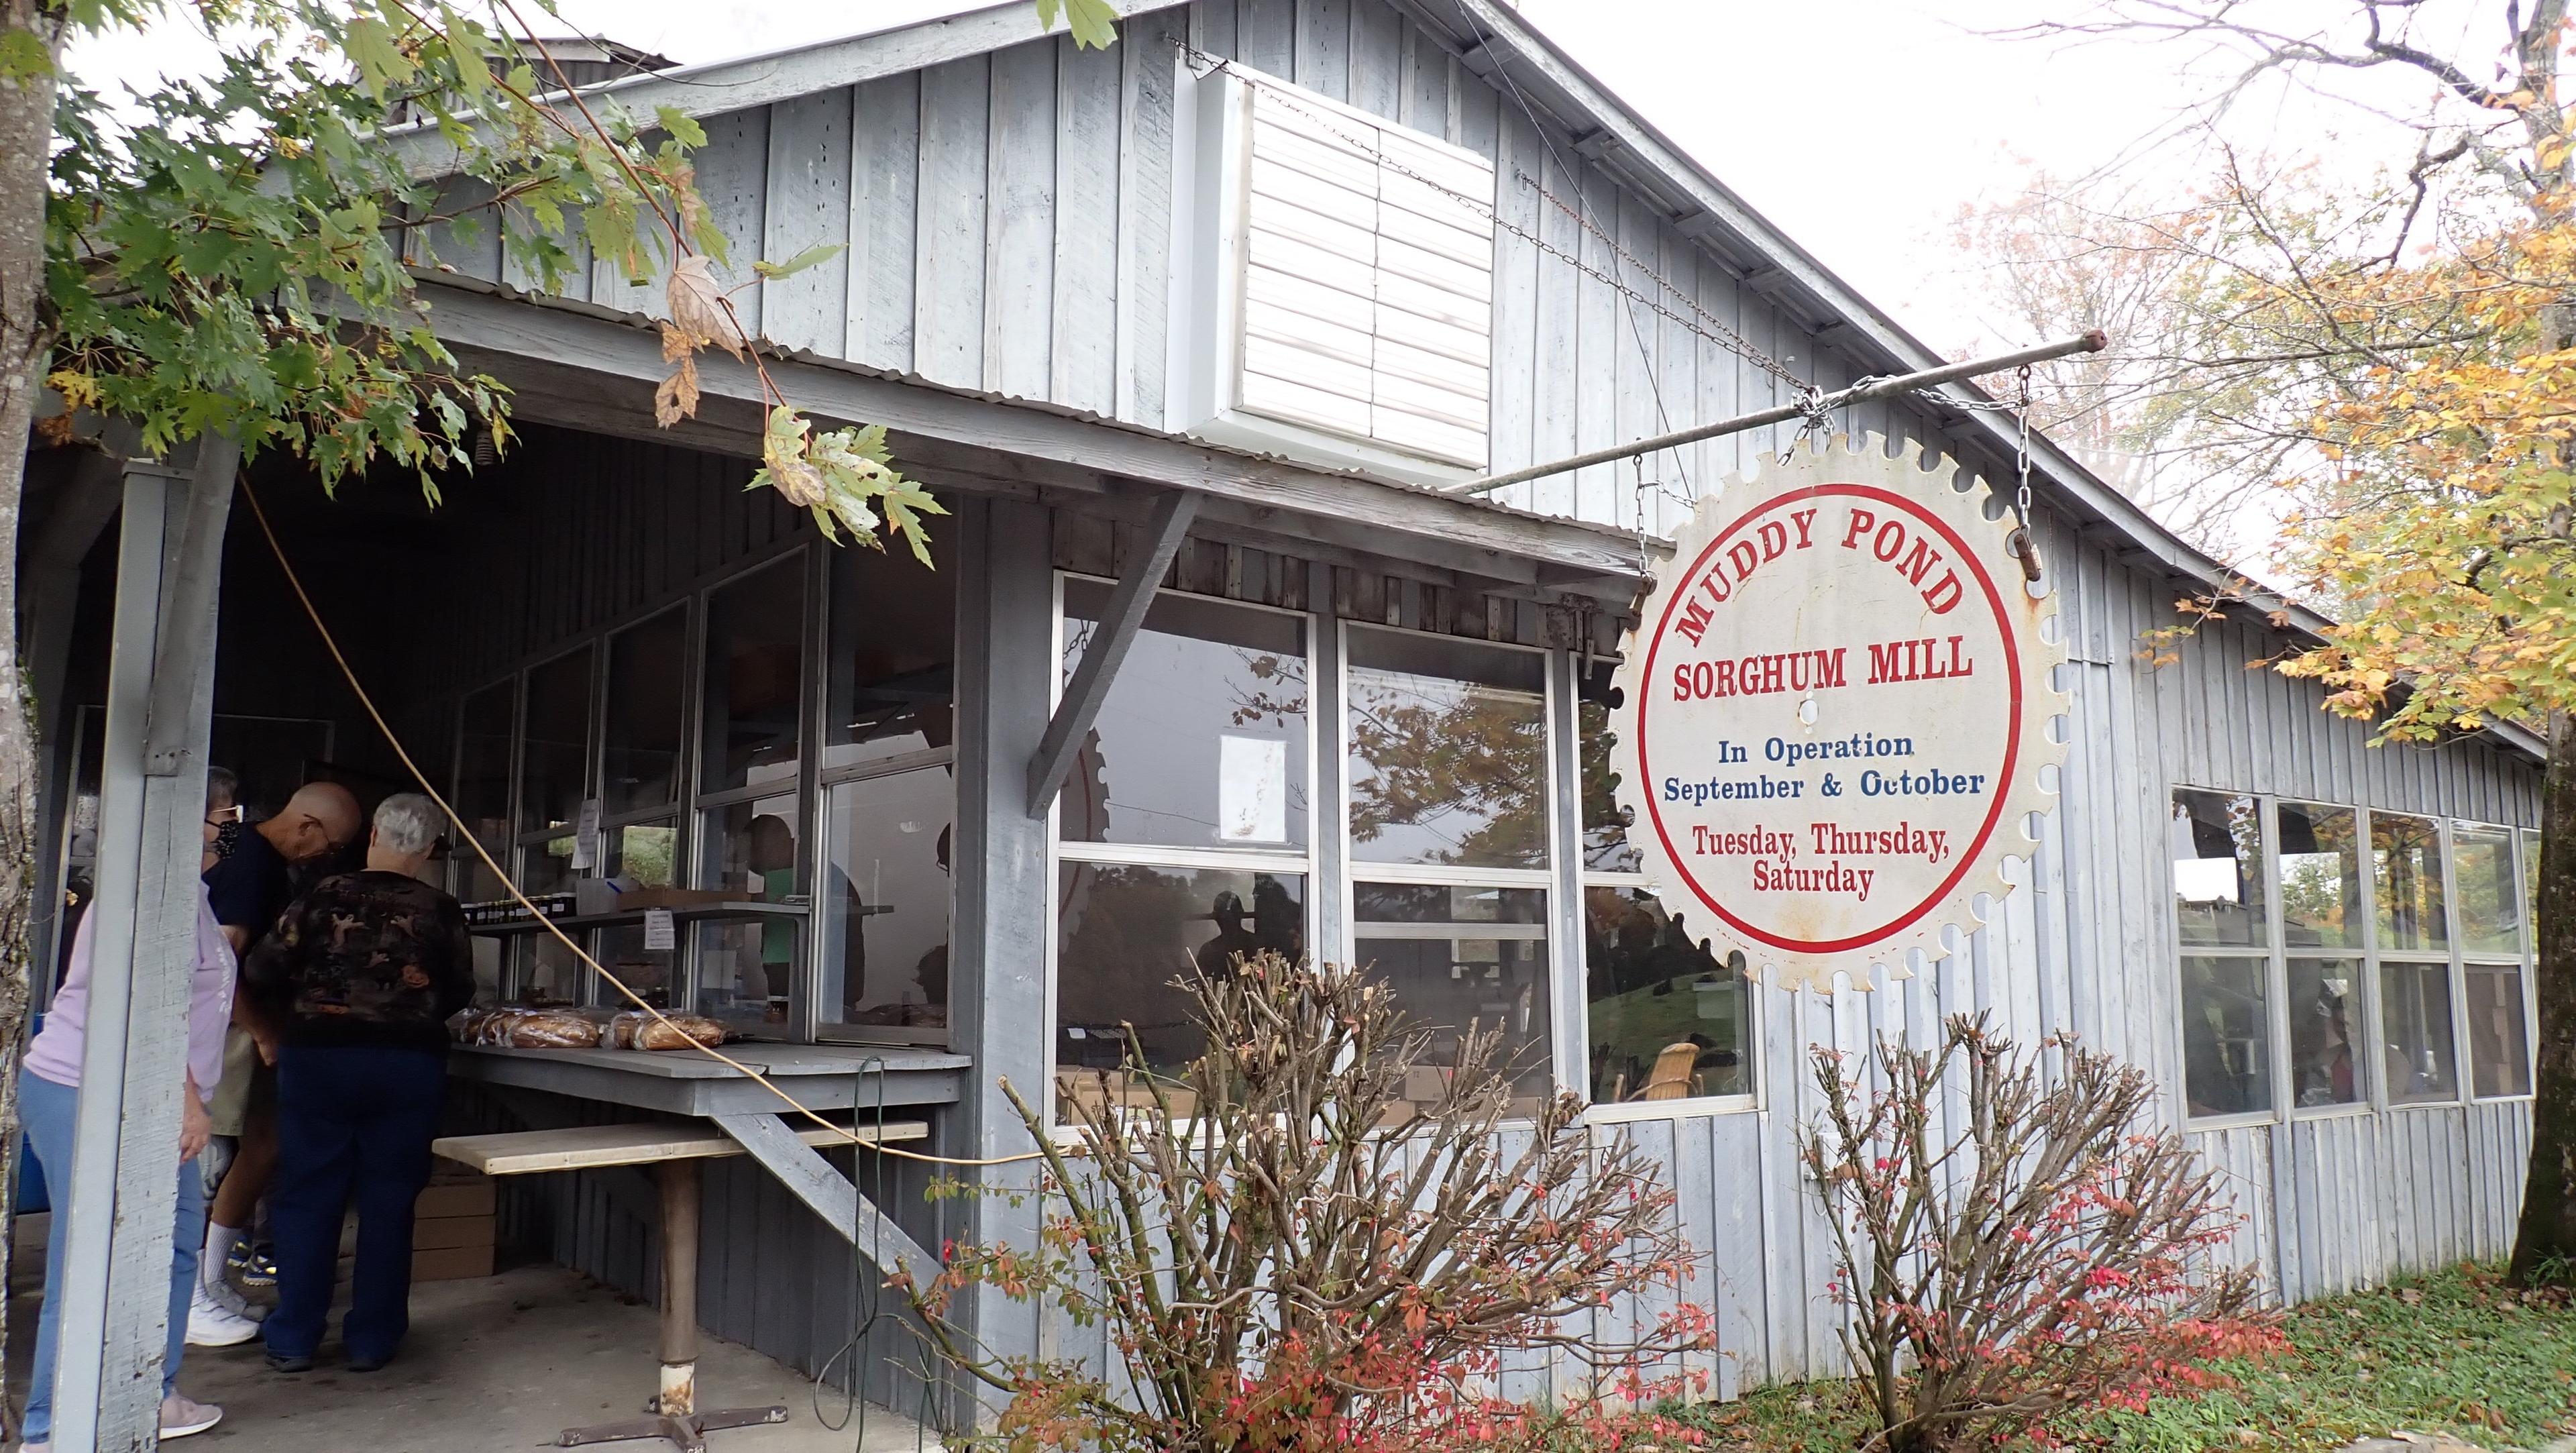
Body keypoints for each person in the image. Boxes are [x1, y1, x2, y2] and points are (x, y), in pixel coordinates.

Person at [18, 772, 242, 1448]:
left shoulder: (187, 890)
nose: (232, 827)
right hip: (100, 1089)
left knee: (169, 1244)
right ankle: (52, 1423)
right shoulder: (156, 888)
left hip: (129, 1091)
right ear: (185, 819)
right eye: (223, 815)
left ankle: (149, 1390)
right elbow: (150, 1002)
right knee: (92, 1255)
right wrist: (188, 1102)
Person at [244, 793, 475, 1373]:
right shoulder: (442, 909)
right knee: (390, 1198)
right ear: (426, 851)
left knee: (306, 1192)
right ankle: (372, 1339)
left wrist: (290, 1014)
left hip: (318, 1060)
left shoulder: (322, 896)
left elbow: (262, 966)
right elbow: (459, 992)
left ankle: (294, 1336)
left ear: (373, 834)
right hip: (407, 1065)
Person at [194, 779, 362, 1343]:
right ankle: (195, 1287)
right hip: (234, 1028)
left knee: (260, 1149)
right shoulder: (255, 869)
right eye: (330, 846)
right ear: (307, 825)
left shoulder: (245, 846)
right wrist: (264, 1031)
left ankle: (210, 1281)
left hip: (246, 1022)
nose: (326, 858)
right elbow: (221, 962)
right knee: (220, 1154)